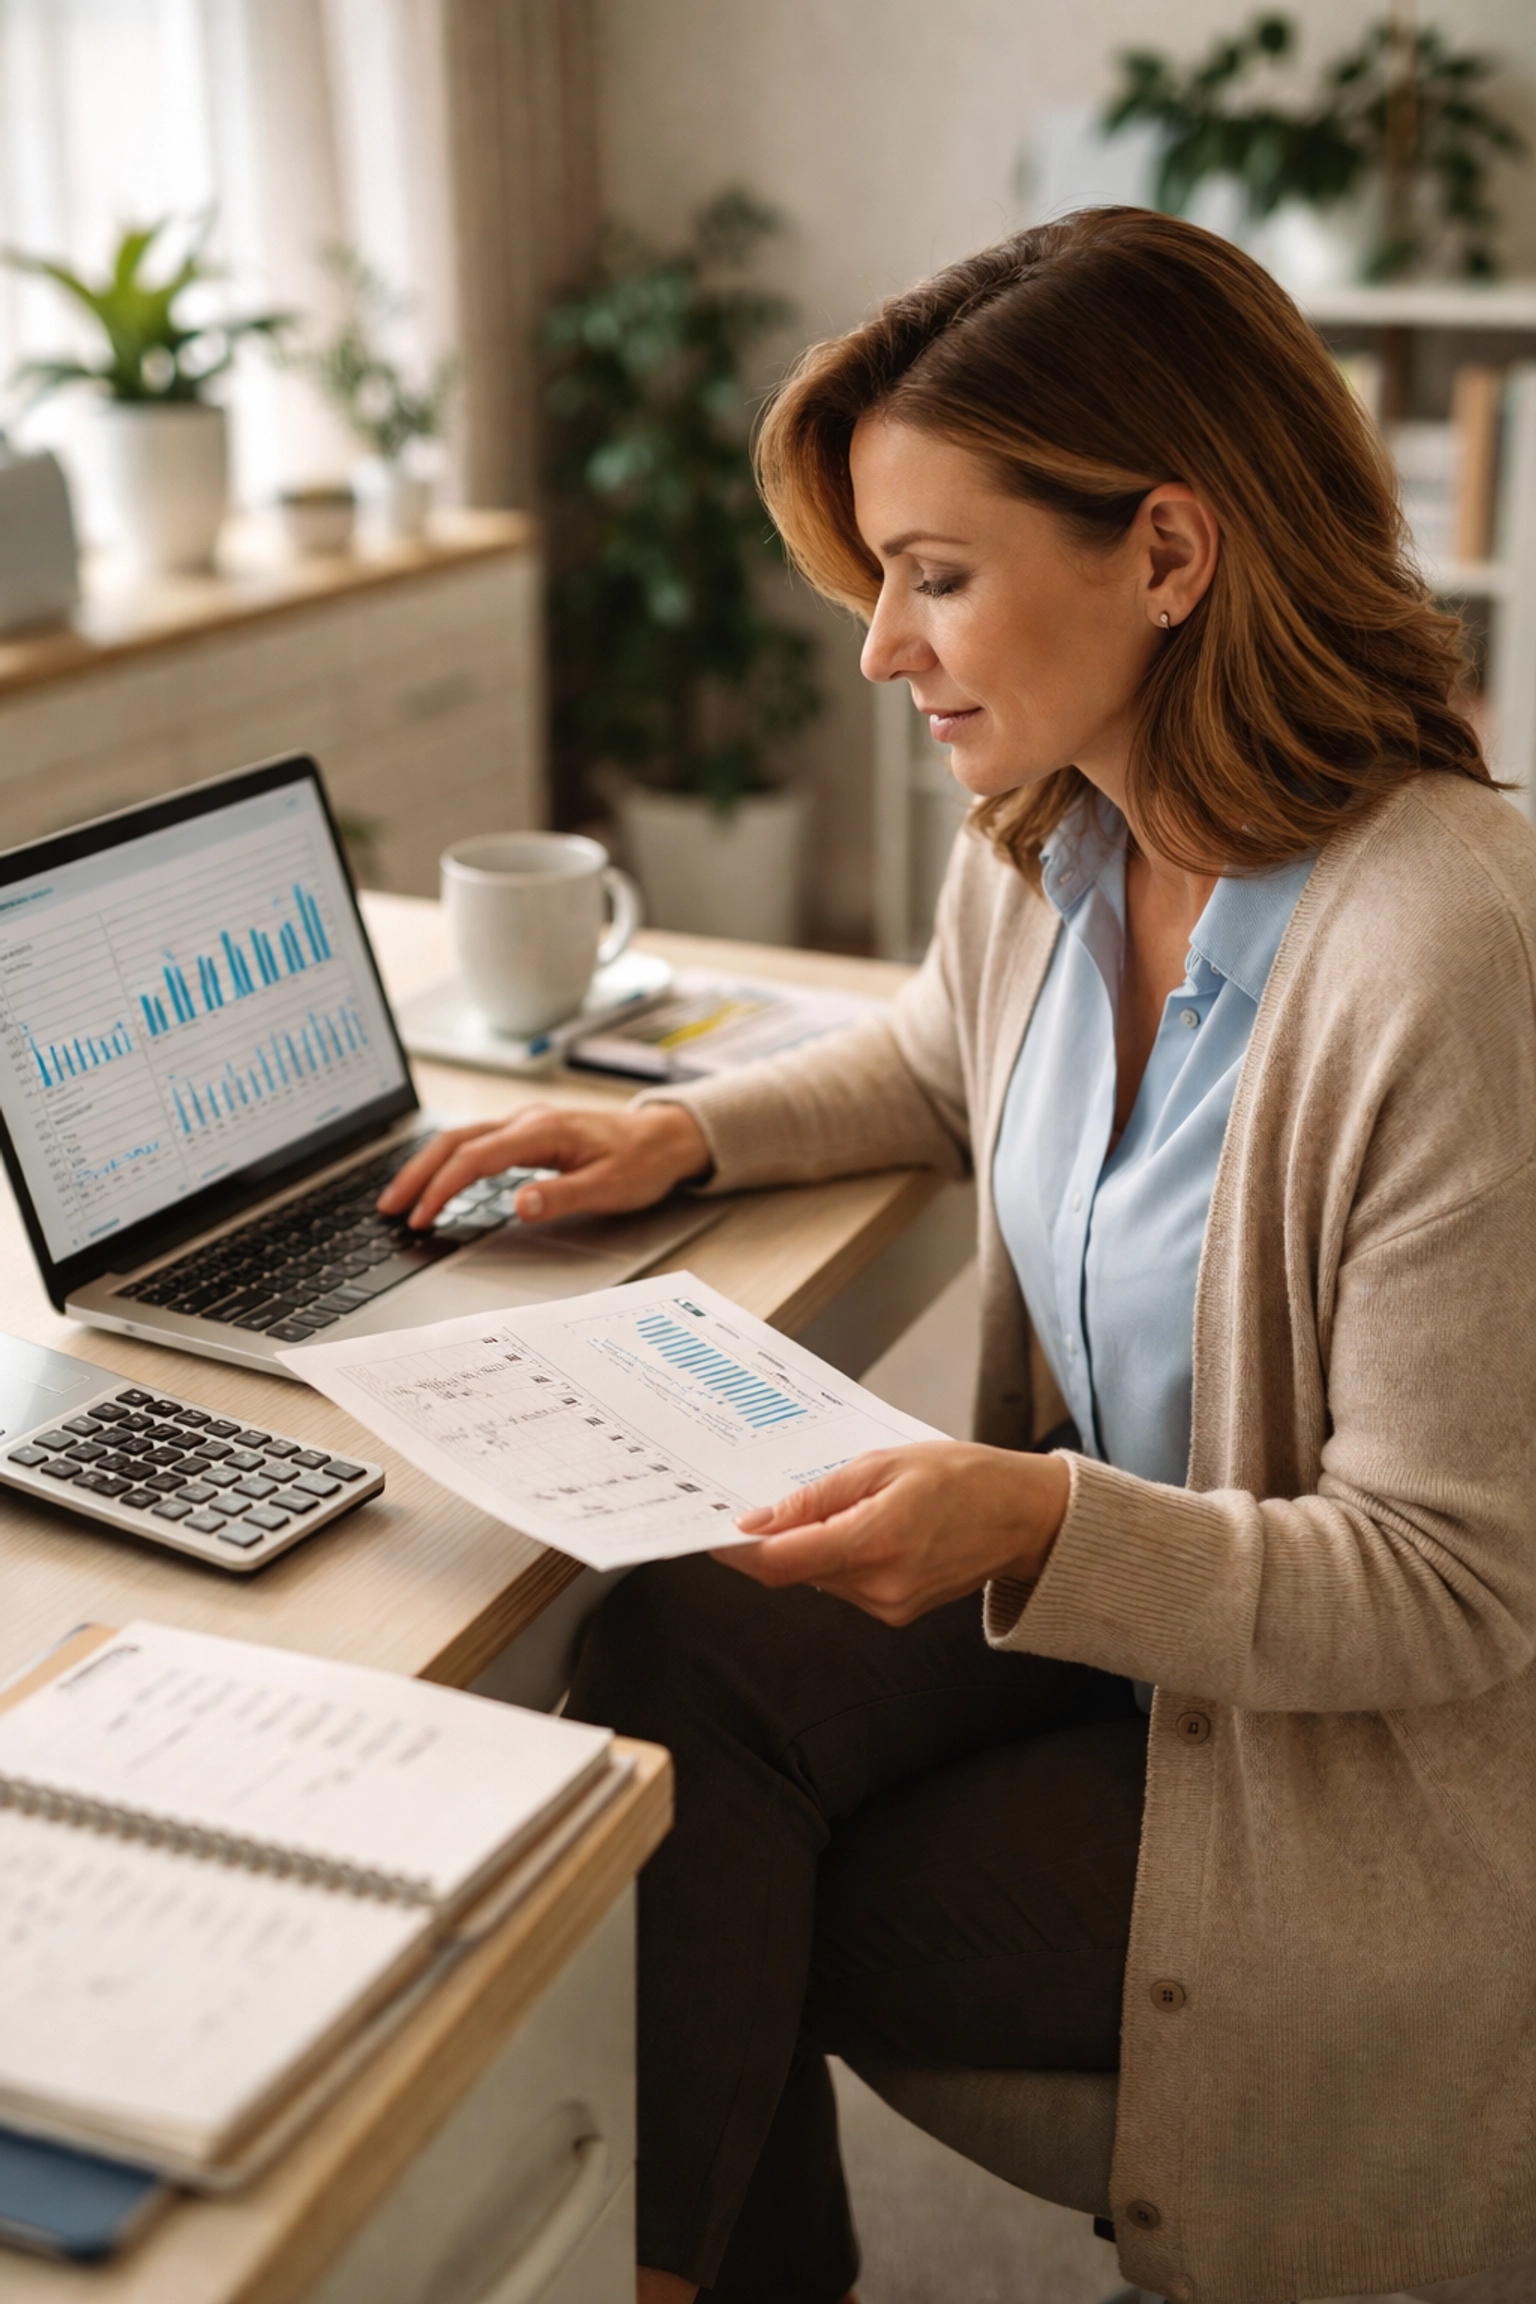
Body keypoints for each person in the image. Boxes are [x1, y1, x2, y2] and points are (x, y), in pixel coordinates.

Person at [380, 209, 1536, 2304]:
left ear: (1170, 556)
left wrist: (1030, 1518)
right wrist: (683, 1129)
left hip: (1362, 1766)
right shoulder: (1061, 835)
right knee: (675, 1663)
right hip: (1146, 1623)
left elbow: (1453, 1585)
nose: (878, 653)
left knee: (731, 1897)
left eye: (935, 578)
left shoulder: (1449, 957)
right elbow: (945, 1059)